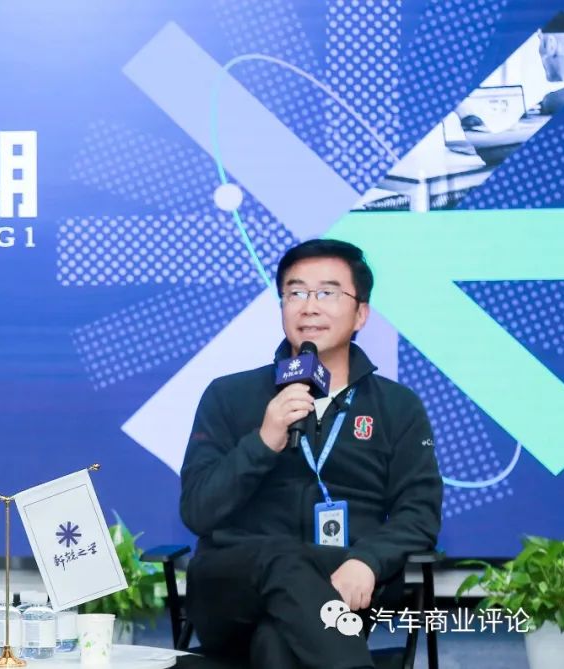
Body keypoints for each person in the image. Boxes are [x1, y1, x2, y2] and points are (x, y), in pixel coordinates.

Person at [180, 239, 442, 668]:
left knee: (277, 643)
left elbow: (419, 514)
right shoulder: (228, 395)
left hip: (342, 580)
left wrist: (368, 561)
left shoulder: (397, 407)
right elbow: (197, 510)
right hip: (232, 583)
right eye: (296, 292)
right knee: (284, 560)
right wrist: (263, 441)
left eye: (327, 293)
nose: (309, 306)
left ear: (361, 313)